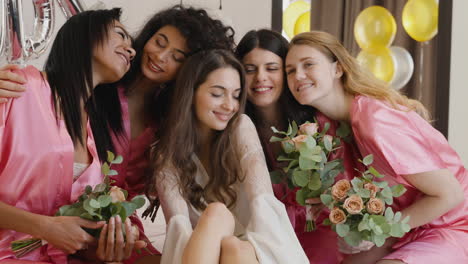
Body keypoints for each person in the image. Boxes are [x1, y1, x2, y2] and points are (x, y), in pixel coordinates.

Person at [0, 5, 236, 262]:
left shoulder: (160, 127)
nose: (160, 56)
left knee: (227, 246)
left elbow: (79, 206)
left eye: (178, 57)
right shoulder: (32, 89)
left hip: (92, 235)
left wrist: (114, 232)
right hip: (39, 241)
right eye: (159, 42)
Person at [285, 30, 468, 264]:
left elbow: (450, 194)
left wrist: (379, 231)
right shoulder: (328, 127)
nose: (298, 75)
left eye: (308, 64)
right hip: (405, 230)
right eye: (290, 70)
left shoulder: (375, 121)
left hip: (447, 225)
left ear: (337, 68)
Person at [0, 8, 142, 263]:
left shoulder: (97, 133)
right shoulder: (19, 87)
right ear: (84, 35)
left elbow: (67, 229)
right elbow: (50, 228)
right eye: (120, 35)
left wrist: (105, 244)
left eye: (132, 47)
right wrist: (44, 227)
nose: (130, 50)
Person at [150, 49, 308, 264]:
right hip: (201, 252)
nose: (230, 105)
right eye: (217, 94)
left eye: (236, 95)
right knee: (218, 219)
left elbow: (262, 201)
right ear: (191, 92)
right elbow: (179, 229)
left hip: (256, 250)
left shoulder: (240, 127)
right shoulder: (165, 153)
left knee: (233, 244)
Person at [235, 29, 361, 263]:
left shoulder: (317, 123)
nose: (260, 77)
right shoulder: (235, 129)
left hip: (317, 233)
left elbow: (340, 188)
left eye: (272, 68)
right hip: (261, 235)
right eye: (249, 70)